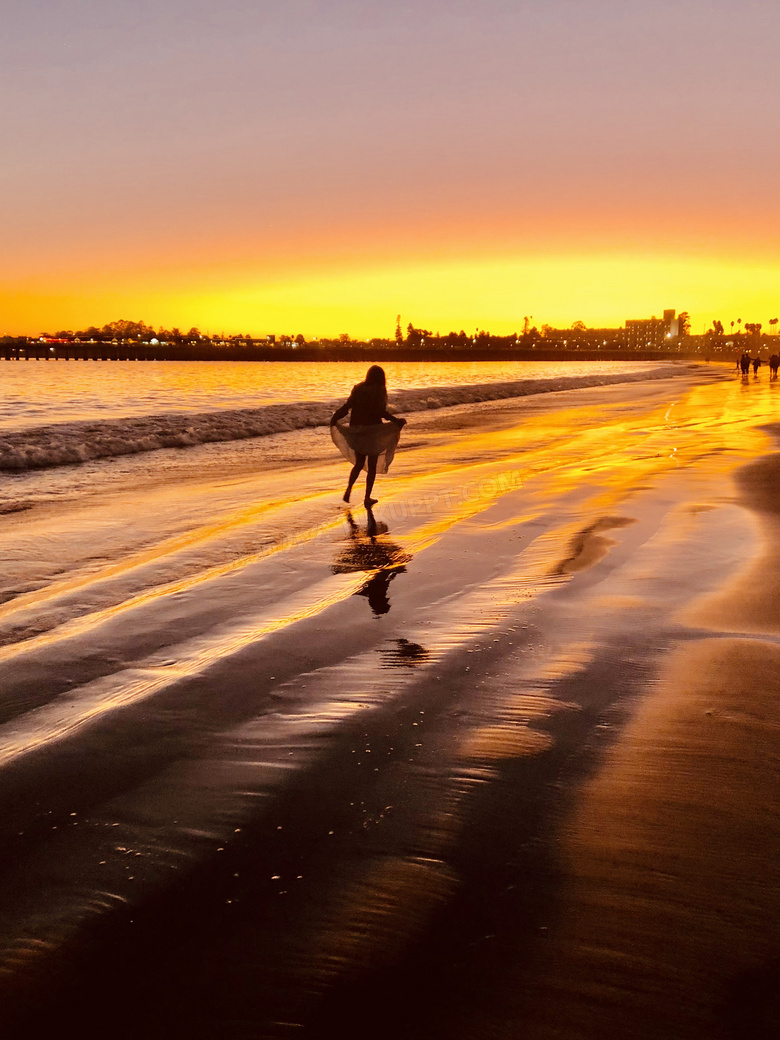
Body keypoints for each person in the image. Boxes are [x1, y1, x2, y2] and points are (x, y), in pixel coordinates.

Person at [330, 365, 406, 507]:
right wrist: (395, 421)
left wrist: (335, 417)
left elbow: (347, 407)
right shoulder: (379, 390)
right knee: (371, 466)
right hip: (372, 431)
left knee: (359, 463)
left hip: (357, 429)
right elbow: (380, 412)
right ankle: (367, 498)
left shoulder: (358, 389)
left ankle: (348, 489)